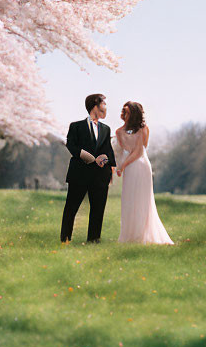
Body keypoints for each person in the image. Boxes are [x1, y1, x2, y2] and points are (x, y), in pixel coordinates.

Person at [60, 93, 117, 243]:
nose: (106, 108)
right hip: (79, 174)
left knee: (98, 210)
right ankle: (65, 239)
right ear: (95, 106)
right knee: (71, 208)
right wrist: (89, 157)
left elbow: (109, 151)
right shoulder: (76, 126)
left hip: (100, 175)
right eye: (104, 104)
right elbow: (71, 145)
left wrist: (104, 159)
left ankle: (94, 240)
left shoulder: (106, 129)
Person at [114, 101, 173, 245]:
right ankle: (129, 235)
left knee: (143, 201)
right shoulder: (119, 131)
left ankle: (142, 234)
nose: (124, 114)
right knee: (129, 200)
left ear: (134, 113)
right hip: (129, 168)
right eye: (123, 111)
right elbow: (124, 150)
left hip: (141, 166)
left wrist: (124, 165)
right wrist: (120, 166)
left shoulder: (144, 129)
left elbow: (140, 150)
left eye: (127, 111)